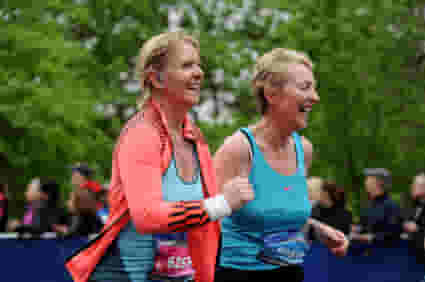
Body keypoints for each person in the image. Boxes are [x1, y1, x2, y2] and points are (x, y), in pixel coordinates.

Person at [66, 31, 252, 282]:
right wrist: (222, 203)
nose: (199, 73)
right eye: (187, 65)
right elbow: (147, 217)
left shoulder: (196, 138)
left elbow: (205, 224)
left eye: (199, 65)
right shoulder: (142, 133)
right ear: (156, 78)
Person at [214, 48, 349, 282]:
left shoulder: (303, 149)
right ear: (272, 94)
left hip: (291, 273)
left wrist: (316, 229)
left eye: (314, 88)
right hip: (238, 274)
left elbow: (275, 213)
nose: (315, 97)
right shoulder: (239, 149)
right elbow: (203, 219)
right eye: (305, 87)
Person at [350, 168, 402, 246]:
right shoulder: (367, 205)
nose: (365, 182)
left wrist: (371, 237)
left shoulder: (392, 206)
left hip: (384, 253)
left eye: (369, 179)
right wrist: (357, 229)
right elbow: (364, 226)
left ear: (379, 182)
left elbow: (394, 233)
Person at [402, 172, 425, 264]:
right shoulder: (414, 205)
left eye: (415, 185)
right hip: (412, 259)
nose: (412, 187)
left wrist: (416, 230)